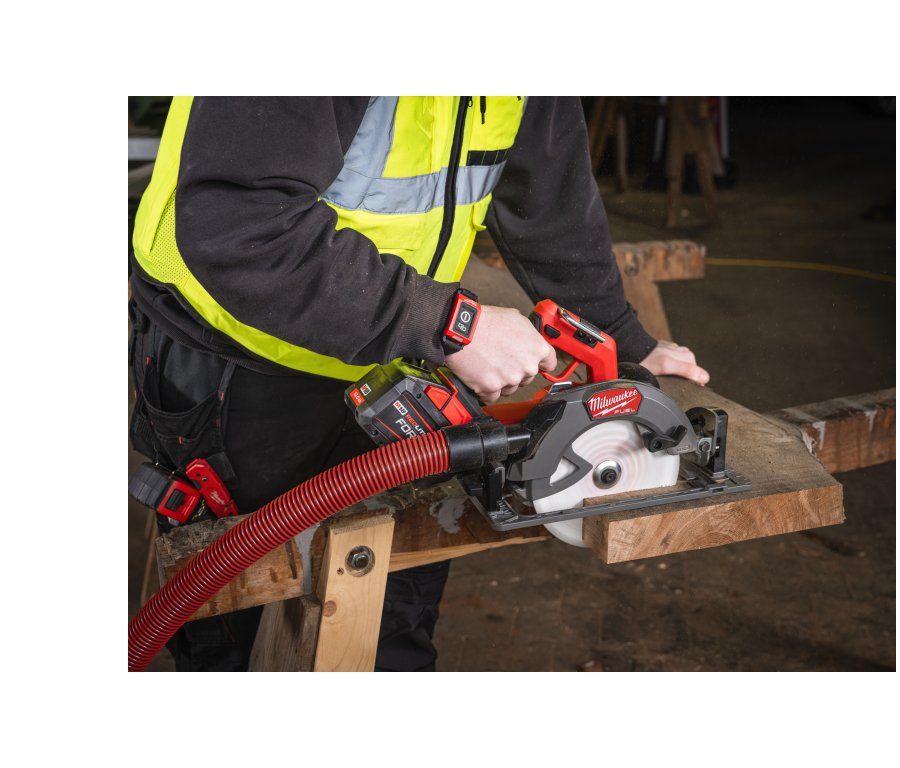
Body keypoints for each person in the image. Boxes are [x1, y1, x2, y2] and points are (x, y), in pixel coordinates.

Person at [129, 96, 709, 671]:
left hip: (403, 366)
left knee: (392, 633)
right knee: (237, 630)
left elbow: (550, 203)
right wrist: (456, 326)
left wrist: (621, 343)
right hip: (242, 364)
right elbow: (239, 227)